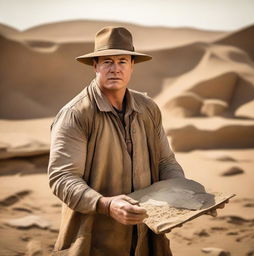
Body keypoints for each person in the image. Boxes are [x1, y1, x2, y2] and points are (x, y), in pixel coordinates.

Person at [47, 26, 222, 256]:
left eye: (122, 61)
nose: (115, 69)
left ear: (132, 66)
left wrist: (185, 195)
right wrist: (106, 205)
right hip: (94, 239)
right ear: (95, 65)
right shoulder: (76, 114)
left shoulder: (147, 108)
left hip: (146, 238)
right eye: (107, 61)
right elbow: (62, 177)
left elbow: (165, 161)